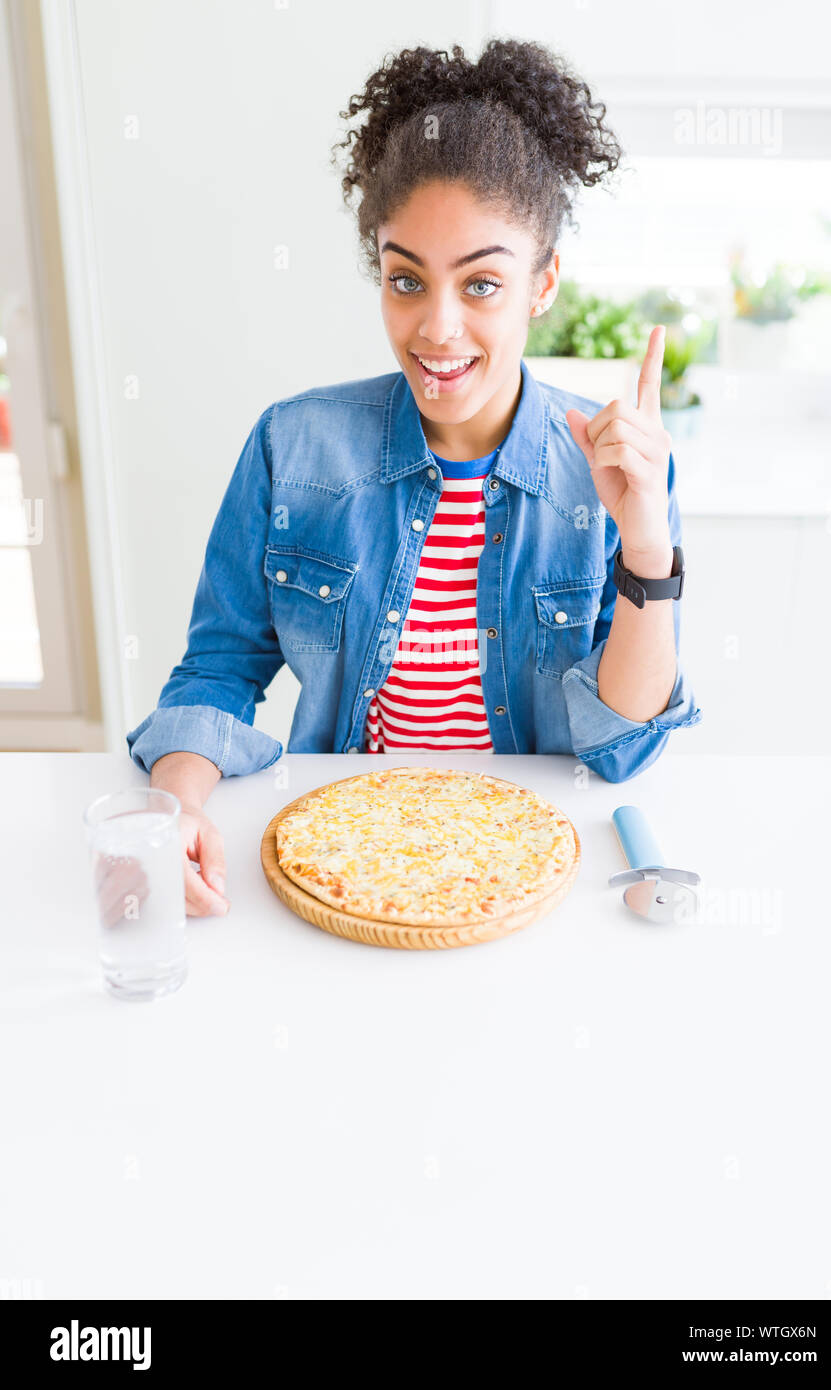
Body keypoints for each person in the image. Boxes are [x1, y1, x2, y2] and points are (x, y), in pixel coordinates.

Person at [126, 38, 702, 918]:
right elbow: (218, 667)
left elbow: (619, 750)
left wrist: (647, 545)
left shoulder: (610, 470)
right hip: (343, 855)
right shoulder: (295, 445)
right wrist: (178, 808)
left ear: (541, 284)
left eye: (480, 286)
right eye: (406, 280)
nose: (436, 329)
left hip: (529, 867)